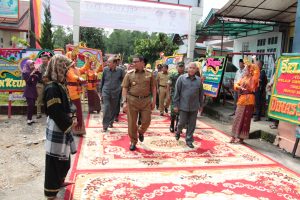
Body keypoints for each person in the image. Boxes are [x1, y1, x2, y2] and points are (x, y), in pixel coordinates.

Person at [43, 54, 77, 200]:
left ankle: (60, 182)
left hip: (63, 126)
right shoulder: (52, 88)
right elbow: (55, 111)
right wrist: (69, 123)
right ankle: (51, 193)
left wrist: (72, 116)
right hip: (58, 126)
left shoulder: (59, 85)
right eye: (66, 68)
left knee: (64, 158)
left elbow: (66, 105)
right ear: (60, 68)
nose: (69, 72)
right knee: (54, 161)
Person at [122, 55, 156, 151]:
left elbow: (153, 88)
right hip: (132, 100)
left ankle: (141, 131)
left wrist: (154, 101)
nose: (133, 63)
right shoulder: (129, 74)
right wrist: (124, 102)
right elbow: (124, 88)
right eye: (133, 61)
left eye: (136, 61)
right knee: (132, 122)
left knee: (146, 121)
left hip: (146, 101)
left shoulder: (150, 74)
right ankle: (133, 141)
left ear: (142, 62)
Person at [173, 62, 204, 148]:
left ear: (196, 70)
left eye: (193, 68)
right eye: (190, 68)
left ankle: (189, 140)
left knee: (192, 124)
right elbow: (177, 92)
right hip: (183, 106)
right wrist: (175, 105)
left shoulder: (198, 80)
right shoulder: (181, 78)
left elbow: (201, 94)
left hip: (194, 106)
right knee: (181, 123)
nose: (191, 69)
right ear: (187, 69)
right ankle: (178, 132)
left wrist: (201, 105)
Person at [230, 59, 260, 144]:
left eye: (246, 70)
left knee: (245, 119)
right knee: (237, 118)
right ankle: (233, 136)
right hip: (241, 100)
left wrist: (254, 61)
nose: (244, 71)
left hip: (249, 100)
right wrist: (239, 87)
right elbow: (236, 85)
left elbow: (257, 70)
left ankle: (241, 138)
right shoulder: (243, 78)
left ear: (250, 71)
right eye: (245, 70)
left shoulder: (253, 79)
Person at [66, 51, 89, 135]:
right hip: (72, 92)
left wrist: (87, 60)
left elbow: (85, 68)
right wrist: (79, 78)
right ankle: (75, 129)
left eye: (75, 59)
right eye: (73, 59)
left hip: (77, 91)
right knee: (76, 110)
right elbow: (72, 76)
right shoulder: (68, 70)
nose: (75, 60)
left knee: (77, 110)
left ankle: (77, 129)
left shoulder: (76, 69)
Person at [100, 56, 124, 132]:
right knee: (106, 108)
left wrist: (121, 90)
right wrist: (101, 92)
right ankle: (105, 125)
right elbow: (102, 81)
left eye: (109, 62)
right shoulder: (105, 70)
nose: (107, 63)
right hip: (106, 91)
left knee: (113, 108)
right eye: (107, 62)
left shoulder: (120, 71)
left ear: (114, 63)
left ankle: (111, 122)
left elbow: (124, 82)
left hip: (116, 92)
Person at [167, 62, 185, 132]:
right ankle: (171, 124)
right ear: (177, 67)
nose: (181, 68)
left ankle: (177, 126)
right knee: (173, 111)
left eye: (182, 67)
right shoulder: (173, 75)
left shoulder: (186, 75)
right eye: (179, 67)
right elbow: (168, 85)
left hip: (183, 96)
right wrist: (168, 95)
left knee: (181, 112)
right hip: (174, 95)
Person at [22, 60, 41, 125]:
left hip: (33, 90)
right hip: (28, 91)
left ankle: (30, 119)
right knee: (30, 105)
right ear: (27, 65)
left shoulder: (34, 71)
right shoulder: (25, 72)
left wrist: (38, 72)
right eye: (31, 65)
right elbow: (28, 82)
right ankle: (28, 120)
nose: (32, 66)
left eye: (33, 65)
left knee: (32, 105)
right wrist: (32, 74)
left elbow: (39, 79)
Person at [36, 53, 50, 118]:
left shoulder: (50, 67)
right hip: (40, 84)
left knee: (48, 98)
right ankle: (38, 113)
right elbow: (37, 76)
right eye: (42, 59)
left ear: (48, 60)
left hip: (48, 84)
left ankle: (48, 113)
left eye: (45, 59)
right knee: (39, 99)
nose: (44, 60)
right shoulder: (39, 67)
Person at [114, 54, 125, 122]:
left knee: (117, 102)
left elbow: (123, 79)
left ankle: (116, 115)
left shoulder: (121, 69)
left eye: (118, 60)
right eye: (116, 60)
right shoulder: (109, 68)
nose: (117, 62)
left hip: (118, 88)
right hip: (111, 88)